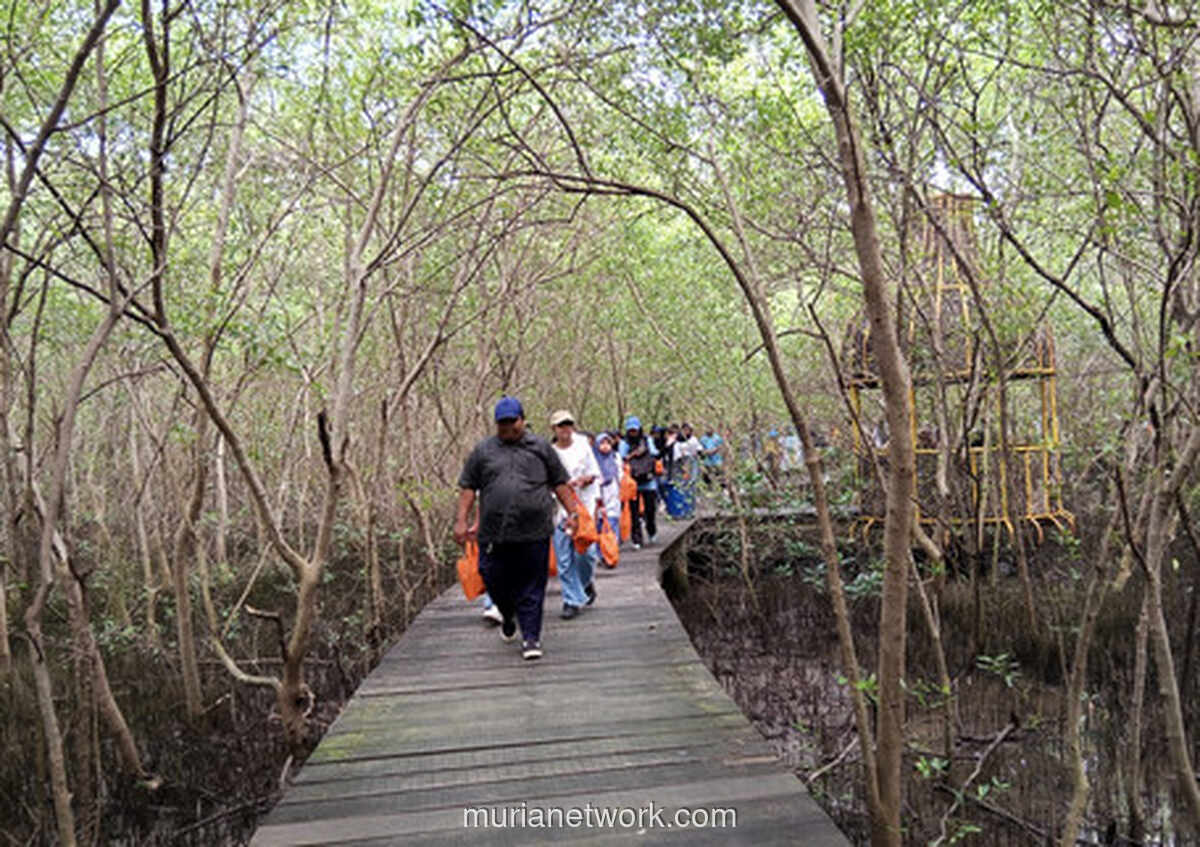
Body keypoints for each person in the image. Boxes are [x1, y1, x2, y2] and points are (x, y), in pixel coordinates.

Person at [455, 396, 577, 660]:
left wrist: (574, 513)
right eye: (502, 424)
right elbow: (468, 487)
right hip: (493, 532)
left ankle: (531, 638)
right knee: (491, 576)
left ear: (523, 420)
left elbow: (560, 483)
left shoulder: (542, 448)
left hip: (534, 531)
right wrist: (461, 520)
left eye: (512, 422)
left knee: (533, 585)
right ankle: (508, 614)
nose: (508, 428)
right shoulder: (483, 451)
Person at [548, 410, 602, 619]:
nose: (565, 429)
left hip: (583, 509)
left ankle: (585, 583)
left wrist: (582, 481)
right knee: (564, 559)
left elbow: (594, 473)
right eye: (561, 425)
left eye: (569, 424)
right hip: (560, 512)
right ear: (554, 429)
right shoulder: (550, 453)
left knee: (586, 554)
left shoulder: (582, 445)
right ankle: (571, 600)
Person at [618, 416, 658, 548]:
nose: (633, 433)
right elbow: (621, 458)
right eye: (630, 431)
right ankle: (637, 539)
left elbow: (654, 453)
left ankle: (651, 531)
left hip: (648, 480)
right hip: (632, 482)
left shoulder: (647, 440)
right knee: (634, 512)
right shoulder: (624, 443)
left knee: (650, 510)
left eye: (635, 430)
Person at [593, 431, 622, 538]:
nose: (605, 446)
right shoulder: (594, 461)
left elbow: (619, 475)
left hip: (613, 496)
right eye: (602, 443)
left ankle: (612, 549)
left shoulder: (615, 458)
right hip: (600, 497)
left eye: (608, 443)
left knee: (613, 521)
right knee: (600, 525)